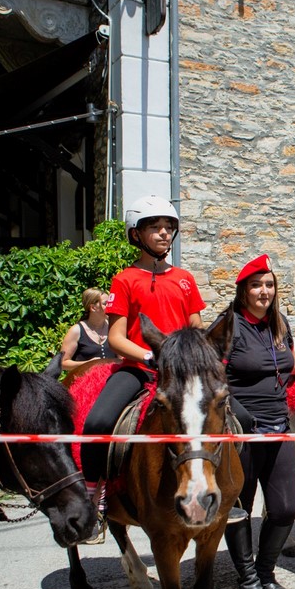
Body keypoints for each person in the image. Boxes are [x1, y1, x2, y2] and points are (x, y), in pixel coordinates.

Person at [80, 195, 205, 542]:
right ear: (137, 234)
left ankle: (232, 495)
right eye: (155, 227)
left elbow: (195, 325)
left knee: (240, 418)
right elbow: (117, 339)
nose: (164, 233)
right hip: (139, 369)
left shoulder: (184, 278)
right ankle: (95, 496)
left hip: (181, 375)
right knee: (98, 422)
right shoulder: (125, 279)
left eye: (169, 227)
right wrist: (152, 357)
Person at [222, 254, 295, 589]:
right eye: (256, 285)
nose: (264, 291)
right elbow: (212, 379)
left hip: (278, 427)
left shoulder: (278, 324)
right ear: (243, 291)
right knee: (240, 508)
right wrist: (237, 417)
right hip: (241, 431)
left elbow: (292, 364)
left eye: (269, 284)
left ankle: (266, 572)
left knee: (286, 507)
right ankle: (247, 579)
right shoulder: (229, 326)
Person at [59, 287, 116, 372]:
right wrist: (87, 364)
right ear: (93, 307)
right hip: (86, 381)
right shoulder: (76, 331)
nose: (110, 306)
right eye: (105, 304)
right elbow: (62, 363)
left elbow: (121, 358)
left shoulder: (113, 327)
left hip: (112, 380)